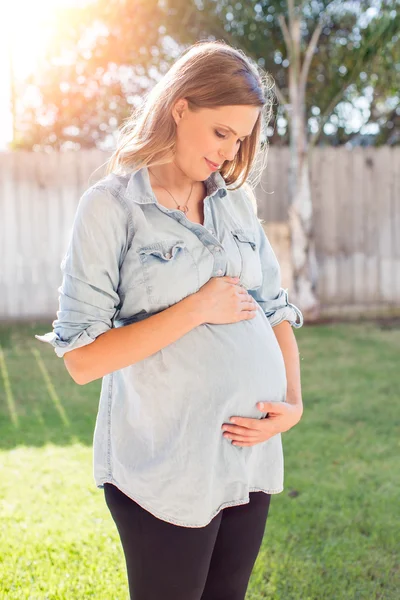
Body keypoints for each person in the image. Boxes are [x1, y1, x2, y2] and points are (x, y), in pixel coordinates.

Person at [35, 40, 304, 600]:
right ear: (180, 108)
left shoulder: (235, 204)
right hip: (166, 466)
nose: (230, 154)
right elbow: (83, 359)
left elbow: (276, 310)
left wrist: (293, 403)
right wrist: (196, 308)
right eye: (221, 132)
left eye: (241, 138)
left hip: (246, 455)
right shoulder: (111, 207)